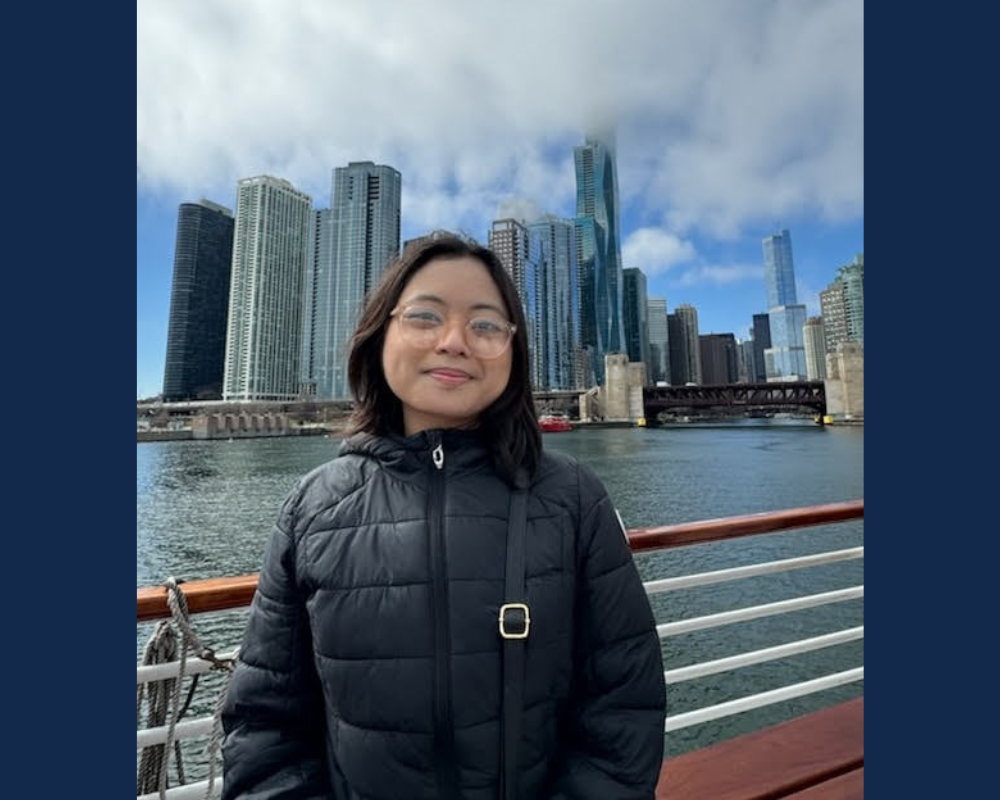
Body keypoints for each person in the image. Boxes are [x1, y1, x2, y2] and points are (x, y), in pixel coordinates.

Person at [221, 234, 666, 799]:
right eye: (425, 317)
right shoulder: (312, 509)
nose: (455, 342)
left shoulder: (575, 500)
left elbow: (623, 710)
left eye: (485, 325)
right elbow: (265, 729)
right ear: (379, 336)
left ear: (513, 350)